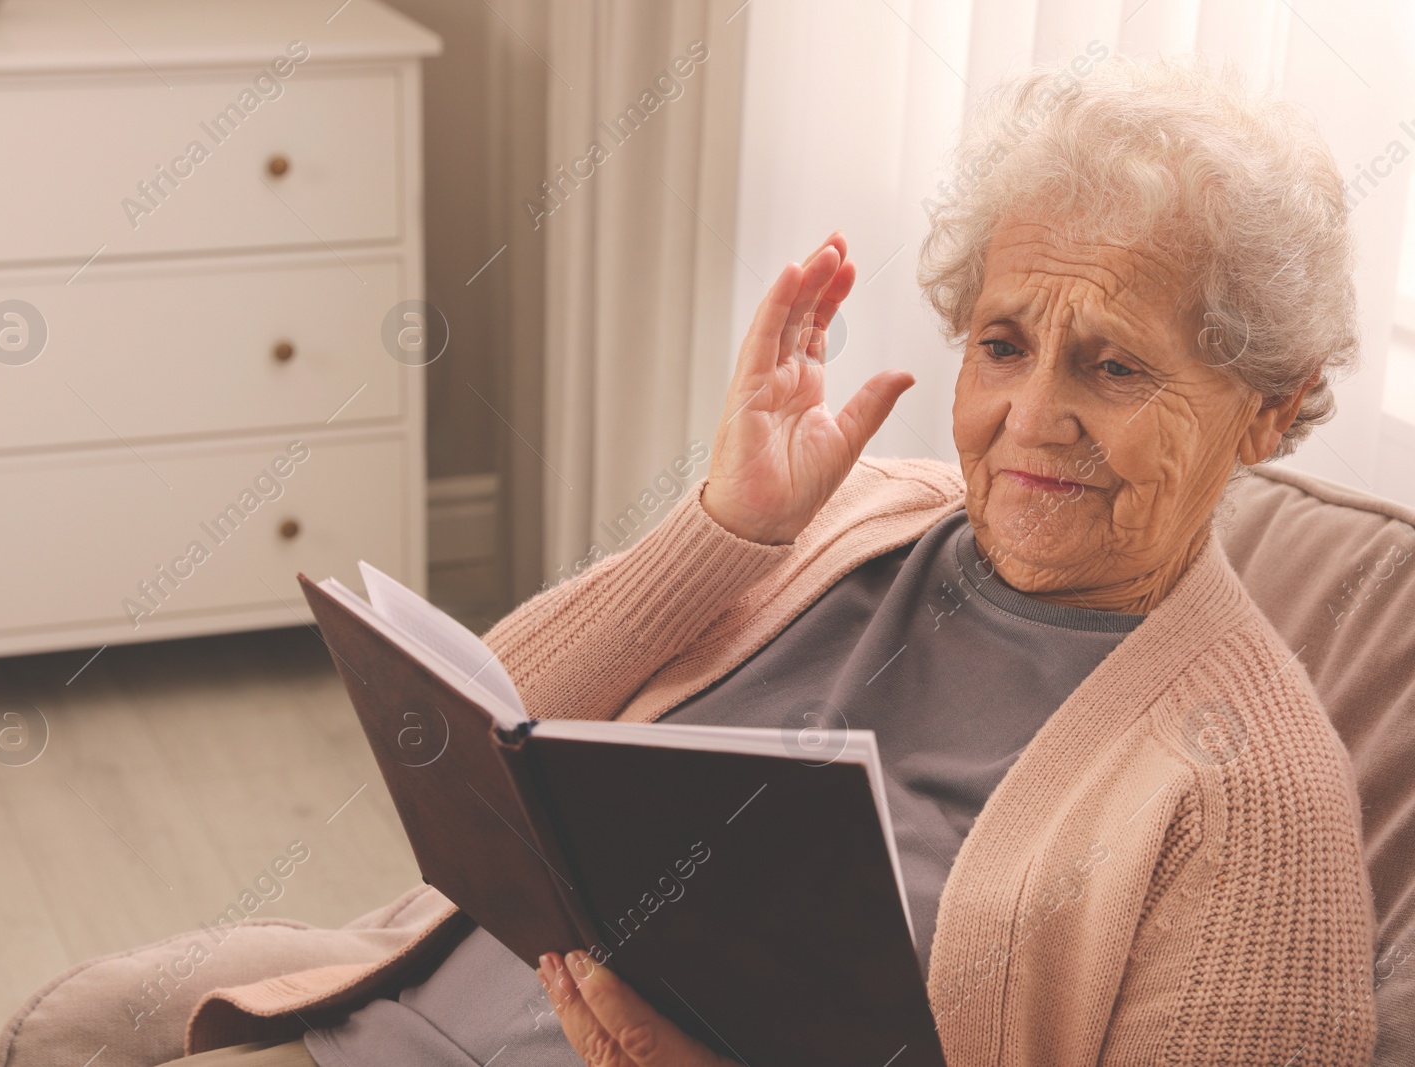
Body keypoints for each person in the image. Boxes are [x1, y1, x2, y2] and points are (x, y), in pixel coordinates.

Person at [163, 54, 1377, 1066]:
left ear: (1271, 407)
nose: (1030, 417)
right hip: (387, 1030)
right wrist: (723, 526)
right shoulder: (857, 513)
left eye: (1113, 366)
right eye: (1001, 345)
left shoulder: (1254, 801)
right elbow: (470, 739)